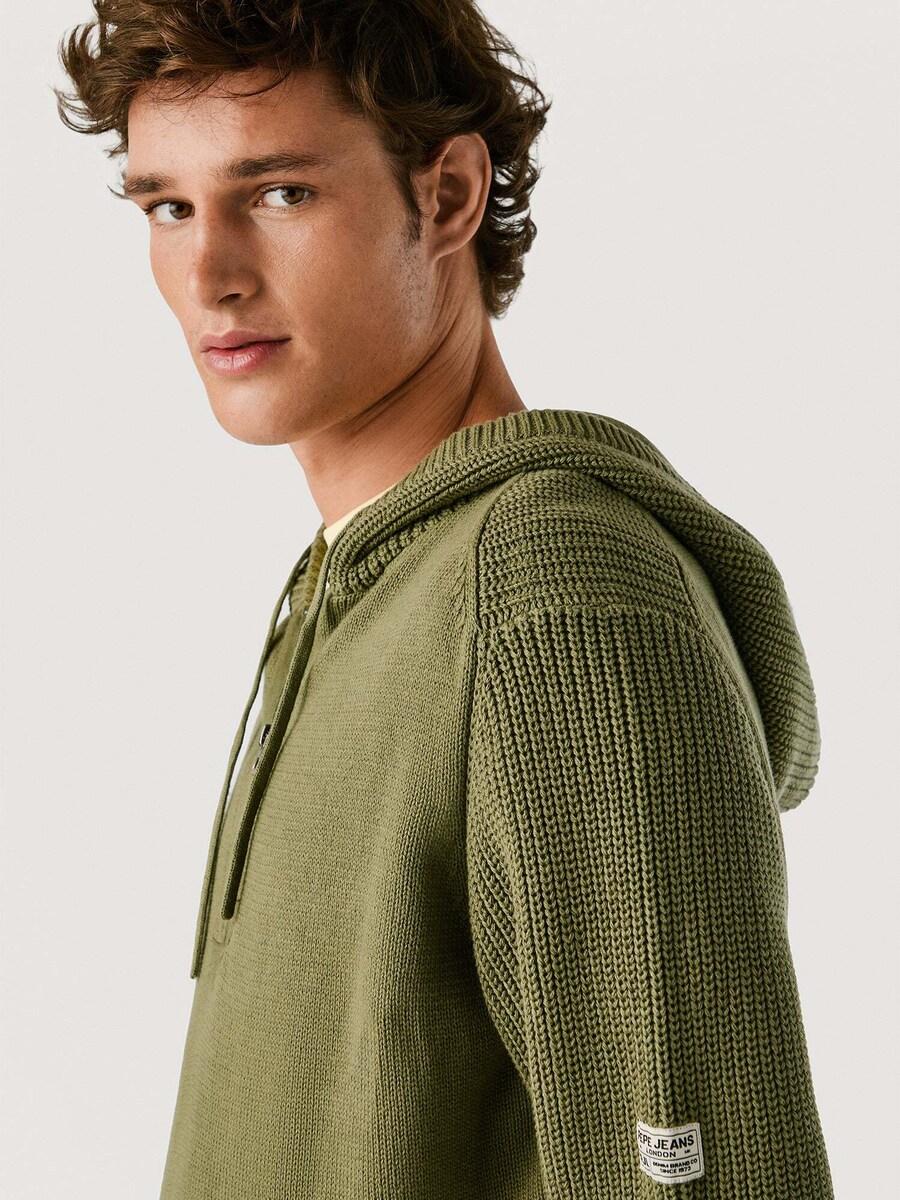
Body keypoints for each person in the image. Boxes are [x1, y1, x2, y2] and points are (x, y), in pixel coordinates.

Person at [54, 3, 835, 1197]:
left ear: (449, 195)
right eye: (168, 207)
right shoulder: (359, 584)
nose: (210, 276)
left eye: (280, 193)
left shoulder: (556, 591)